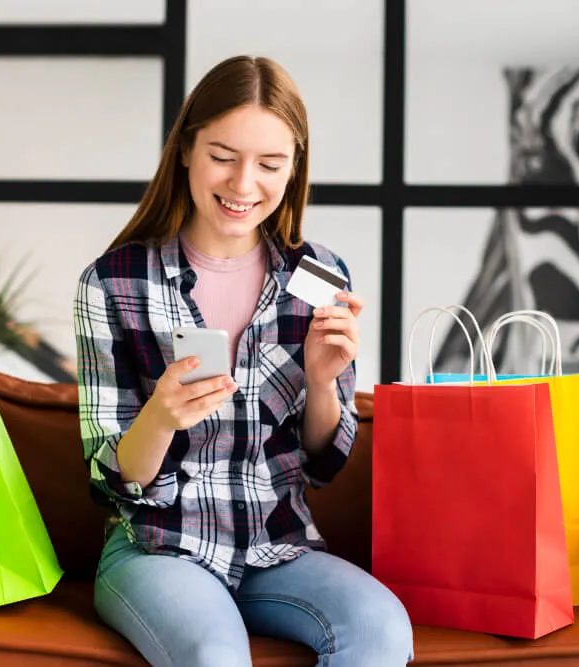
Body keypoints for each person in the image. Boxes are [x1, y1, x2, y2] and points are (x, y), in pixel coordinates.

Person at [73, 55, 413, 667]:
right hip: (159, 547)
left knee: (382, 629)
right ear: (184, 150)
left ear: (294, 169)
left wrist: (321, 381)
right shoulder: (114, 282)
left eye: (270, 164)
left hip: (276, 548)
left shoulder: (316, 276)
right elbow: (110, 480)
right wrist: (160, 417)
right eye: (223, 157)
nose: (242, 184)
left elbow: (324, 462)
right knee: (213, 654)